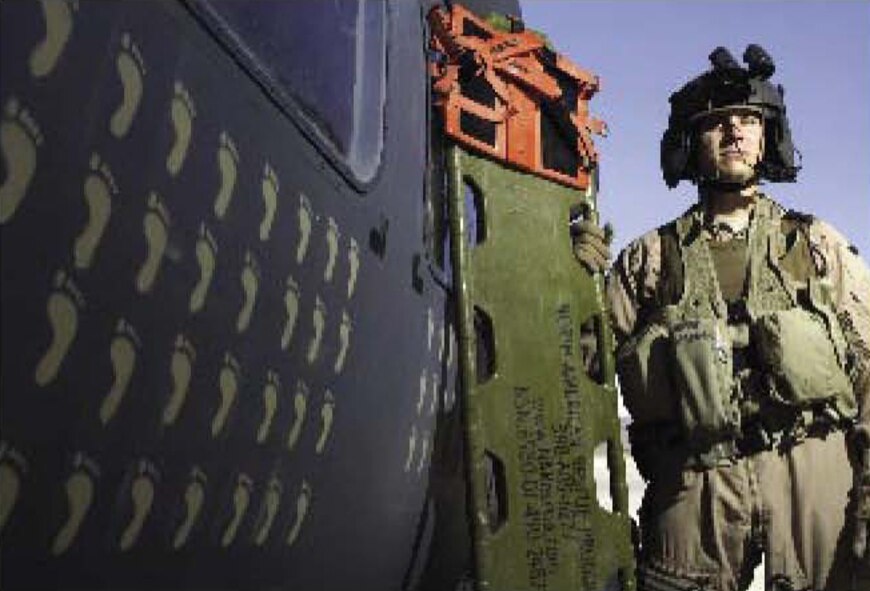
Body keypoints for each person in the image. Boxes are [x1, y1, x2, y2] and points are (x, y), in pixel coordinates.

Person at [573, 46, 870, 591]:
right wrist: (568, 278)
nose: (735, 134)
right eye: (718, 124)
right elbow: (580, 366)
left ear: (766, 138)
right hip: (695, 482)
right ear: (692, 142)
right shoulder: (647, 258)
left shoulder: (817, 245)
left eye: (748, 123)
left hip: (810, 472)